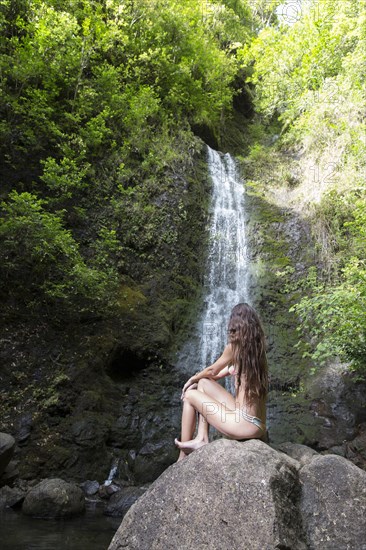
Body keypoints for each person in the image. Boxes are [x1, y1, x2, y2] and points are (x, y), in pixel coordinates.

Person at [175, 303, 268, 461]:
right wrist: (200, 379)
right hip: (258, 425)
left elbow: (212, 371)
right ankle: (202, 437)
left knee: (190, 395)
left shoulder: (234, 348)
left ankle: (183, 455)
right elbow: (213, 377)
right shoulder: (258, 351)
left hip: (242, 423)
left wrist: (192, 378)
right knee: (204, 384)